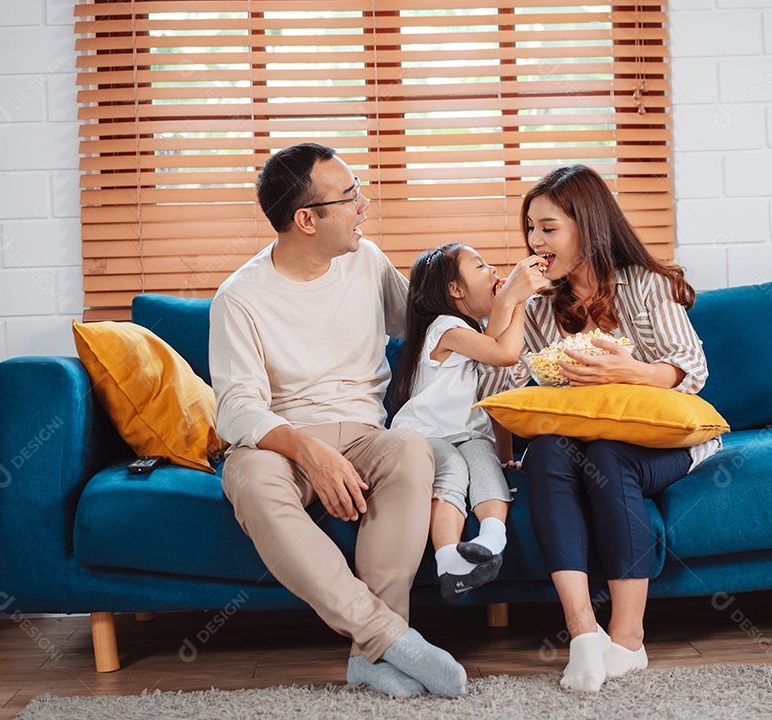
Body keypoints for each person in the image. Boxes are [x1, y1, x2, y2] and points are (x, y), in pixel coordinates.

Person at [209, 143, 466, 699]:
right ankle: (388, 637)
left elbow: (427, 327)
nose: (364, 207)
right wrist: (307, 451)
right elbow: (235, 408)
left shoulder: (366, 260)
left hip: (365, 435)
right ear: (307, 219)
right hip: (278, 444)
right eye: (350, 197)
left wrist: (507, 297)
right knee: (251, 482)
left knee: (411, 450)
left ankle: (368, 659)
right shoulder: (239, 298)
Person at [481, 164, 720, 693]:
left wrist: (629, 372)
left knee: (611, 455)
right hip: (576, 439)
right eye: (530, 229)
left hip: (656, 441)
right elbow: (496, 383)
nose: (535, 241)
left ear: (586, 226)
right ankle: (583, 633)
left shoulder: (646, 284)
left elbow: (691, 367)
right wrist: (508, 300)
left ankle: (628, 639)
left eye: (549, 228)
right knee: (544, 452)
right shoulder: (541, 304)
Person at [389, 243, 548, 601]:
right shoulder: (444, 328)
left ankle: (491, 541)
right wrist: (513, 297)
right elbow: (505, 353)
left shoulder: (474, 330)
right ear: (455, 289)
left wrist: (504, 455)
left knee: (485, 463)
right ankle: (448, 559)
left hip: (466, 435)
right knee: (454, 471)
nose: (493, 271)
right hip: (423, 437)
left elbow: (495, 402)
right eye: (481, 266)